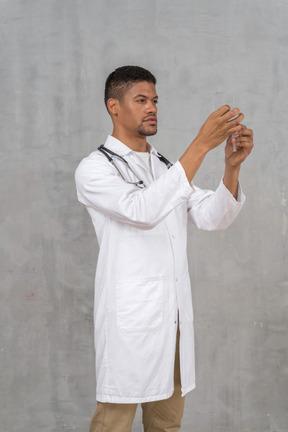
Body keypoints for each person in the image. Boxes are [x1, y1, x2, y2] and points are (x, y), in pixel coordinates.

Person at [75, 65, 253, 432]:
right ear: (114, 106)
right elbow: (143, 211)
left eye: (154, 100)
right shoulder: (94, 170)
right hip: (130, 322)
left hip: (171, 322)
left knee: (167, 426)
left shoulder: (165, 166)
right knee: (113, 424)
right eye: (141, 100)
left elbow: (211, 216)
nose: (152, 107)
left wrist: (231, 169)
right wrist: (202, 143)